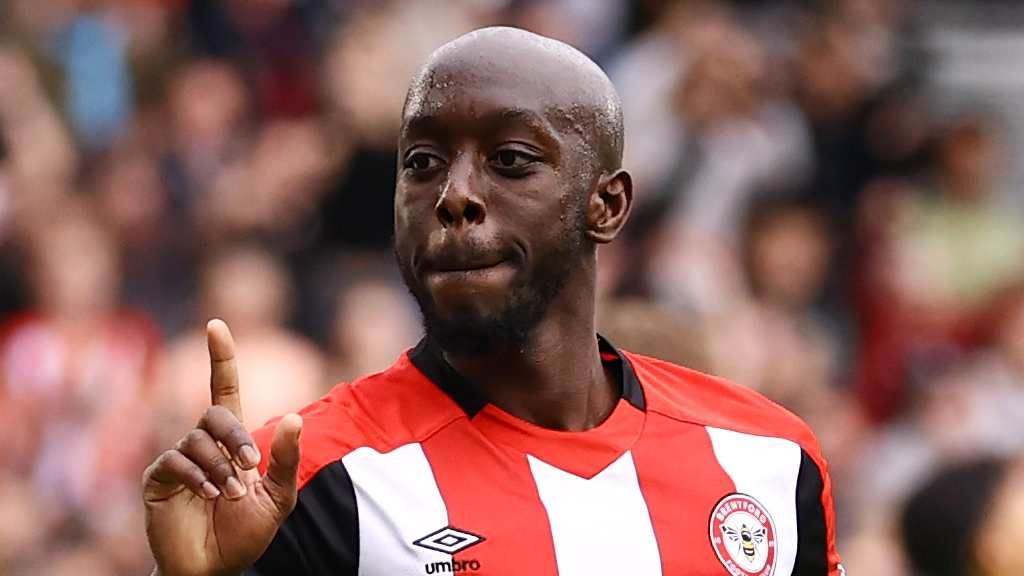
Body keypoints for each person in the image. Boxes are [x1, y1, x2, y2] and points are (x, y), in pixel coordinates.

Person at [142, 27, 844, 575]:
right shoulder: (304, 481)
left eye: (510, 159)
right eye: (422, 164)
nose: (454, 196)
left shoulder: (766, 460)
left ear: (607, 204)